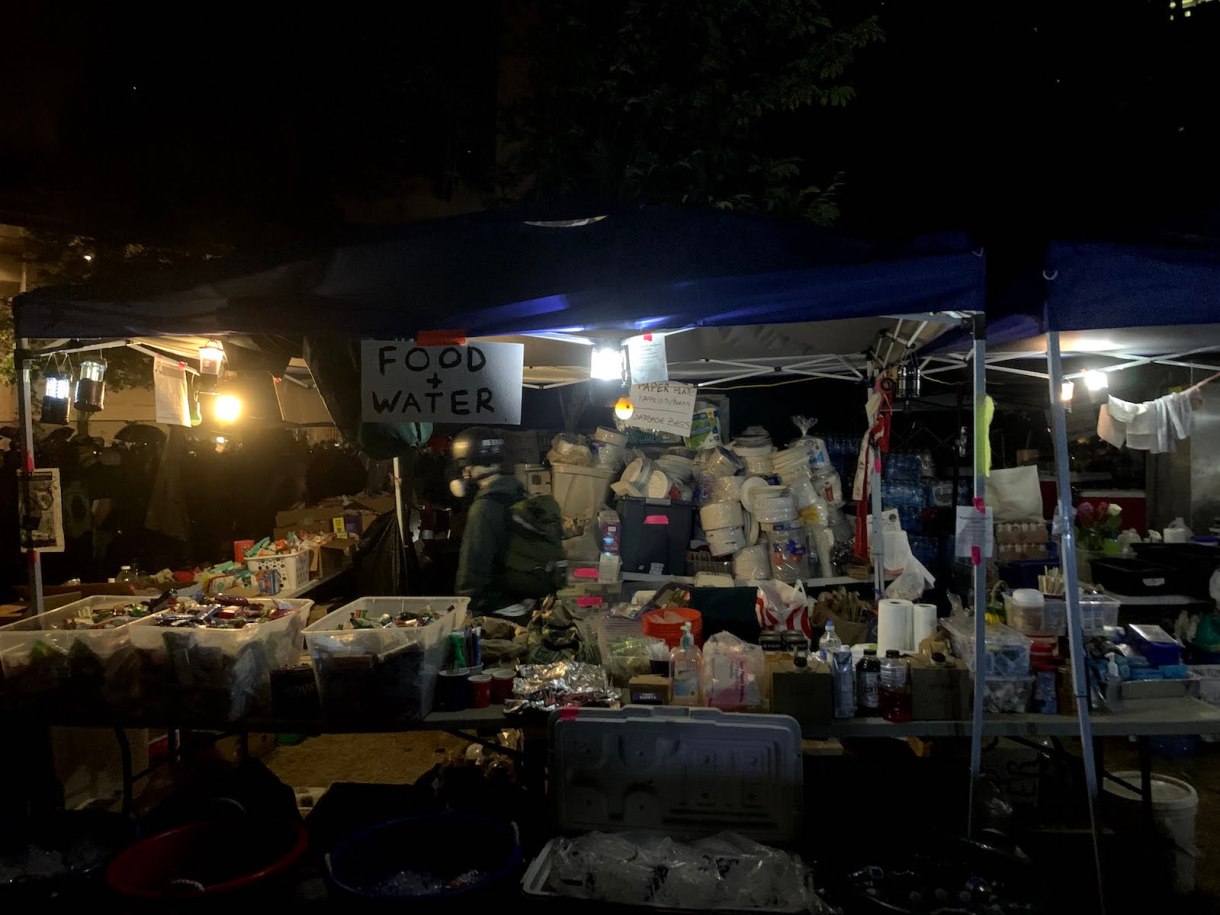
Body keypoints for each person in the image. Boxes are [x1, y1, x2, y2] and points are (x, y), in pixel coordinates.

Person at [450, 426, 526, 614]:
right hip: (523, 603)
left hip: (497, 608)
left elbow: (473, 565)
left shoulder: (485, 507)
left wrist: (465, 605)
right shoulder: (518, 492)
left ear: (468, 466)